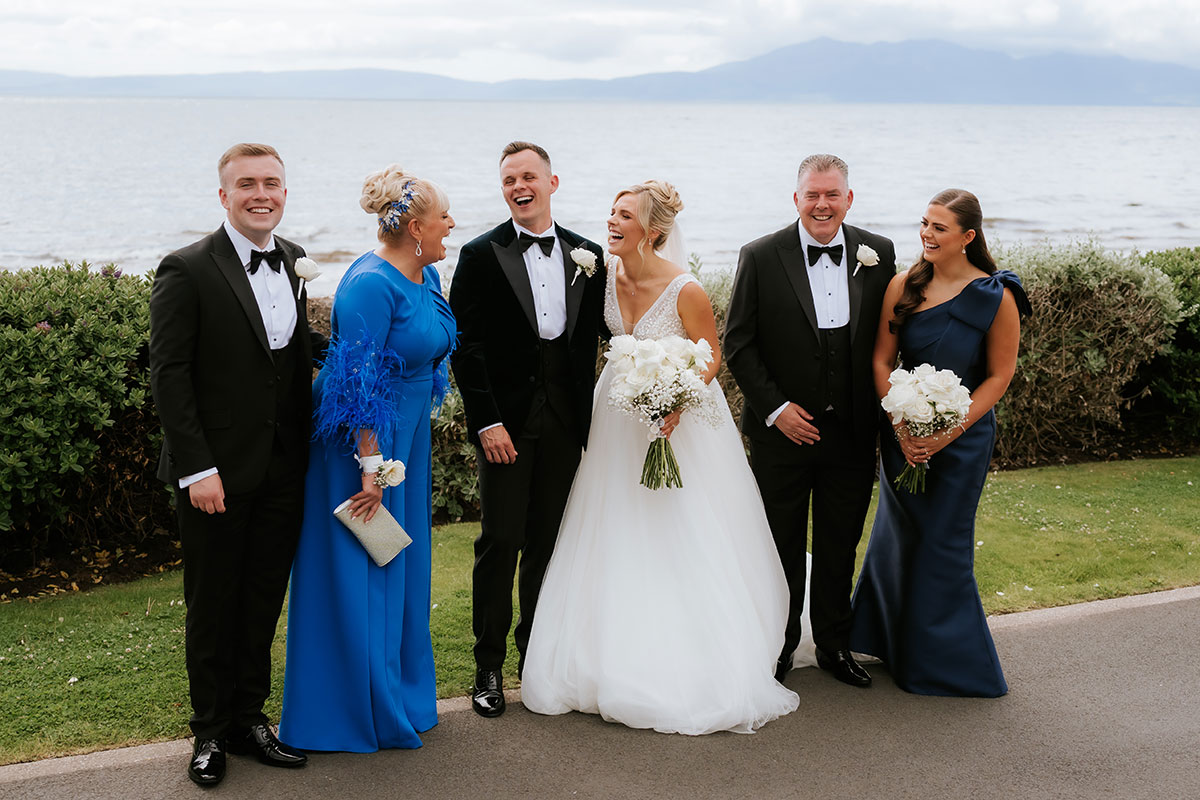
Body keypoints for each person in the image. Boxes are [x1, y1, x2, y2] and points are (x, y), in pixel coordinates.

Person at [521, 181, 800, 735]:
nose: (612, 221)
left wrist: (675, 399)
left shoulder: (686, 290)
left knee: (679, 525)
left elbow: (711, 355)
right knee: (613, 521)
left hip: (679, 422)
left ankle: (690, 657)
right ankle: (604, 652)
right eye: (611, 212)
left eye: (624, 215)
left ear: (653, 231)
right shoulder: (601, 272)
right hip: (617, 418)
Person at [149, 142, 325, 786]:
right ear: (223, 195)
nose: (262, 194)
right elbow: (169, 376)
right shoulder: (187, 268)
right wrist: (197, 469)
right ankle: (208, 733)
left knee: (261, 600)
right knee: (213, 603)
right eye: (247, 183)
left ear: (285, 191)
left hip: (284, 468)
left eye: (272, 183)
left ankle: (251, 720)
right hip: (215, 474)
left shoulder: (294, 260)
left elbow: (287, 349)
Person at [278, 165, 457, 749]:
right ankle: (353, 709)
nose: (452, 223)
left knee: (399, 564)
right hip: (364, 446)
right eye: (442, 216)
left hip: (406, 439)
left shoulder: (425, 274)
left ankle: (399, 696)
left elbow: (429, 353)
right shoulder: (369, 285)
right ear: (413, 227)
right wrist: (372, 470)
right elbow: (357, 385)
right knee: (365, 563)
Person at [849, 189, 1030, 697]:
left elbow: (999, 376)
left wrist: (949, 430)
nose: (926, 235)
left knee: (942, 545)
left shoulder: (998, 296)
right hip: (902, 430)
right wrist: (904, 426)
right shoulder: (903, 284)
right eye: (924, 224)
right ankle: (889, 641)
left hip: (964, 439)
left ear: (968, 237)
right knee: (898, 536)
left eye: (939, 228)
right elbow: (882, 361)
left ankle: (944, 662)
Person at [448, 141, 607, 718]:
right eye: (509, 179)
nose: (519, 187)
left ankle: (535, 659)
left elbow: (601, 337)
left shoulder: (589, 255)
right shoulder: (478, 254)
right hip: (506, 427)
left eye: (529, 177)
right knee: (500, 543)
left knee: (548, 544)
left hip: (566, 425)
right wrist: (486, 419)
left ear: (552, 182)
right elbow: (466, 347)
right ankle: (488, 665)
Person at [725, 154, 895, 688]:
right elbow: (739, 342)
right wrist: (776, 410)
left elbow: (891, 335)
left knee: (840, 541)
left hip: (851, 430)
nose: (822, 204)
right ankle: (777, 646)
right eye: (812, 194)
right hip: (781, 436)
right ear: (795, 198)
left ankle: (834, 645)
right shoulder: (760, 255)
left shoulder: (879, 253)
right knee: (779, 542)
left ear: (849, 198)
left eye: (832, 194)